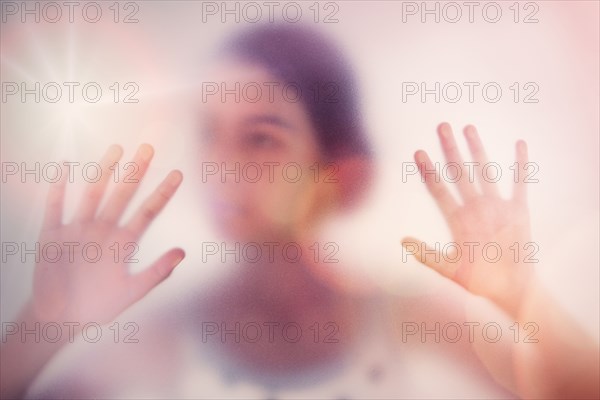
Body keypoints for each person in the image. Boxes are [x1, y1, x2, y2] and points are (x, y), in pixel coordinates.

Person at [1, 24, 598, 399]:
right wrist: (43, 325)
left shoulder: (411, 319)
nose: (222, 164)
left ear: (337, 169)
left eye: (261, 138)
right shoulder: (159, 340)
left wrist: (525, 303)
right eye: (210, 133)